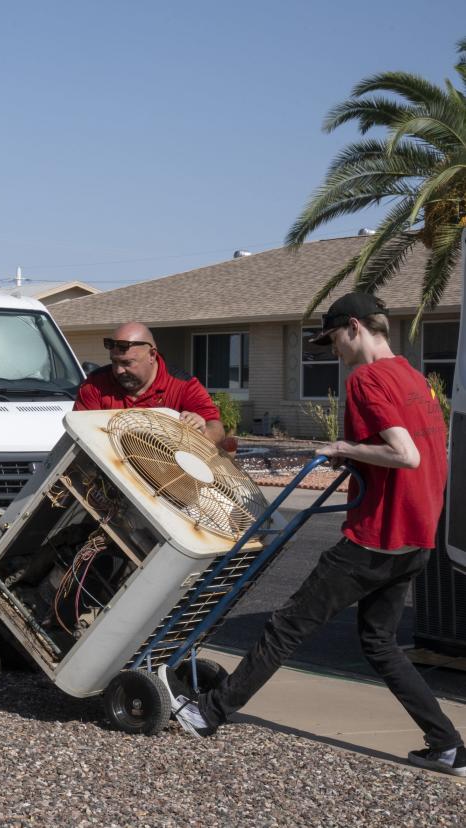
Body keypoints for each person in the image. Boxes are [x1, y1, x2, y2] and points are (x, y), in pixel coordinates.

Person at [164, 292, 464, 778]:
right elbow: (420, 454)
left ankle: (207, 713)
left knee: (287, 626)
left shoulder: (368, 379)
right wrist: (356, 454)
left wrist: (343, 446)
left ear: (353, 328)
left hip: (375, 539)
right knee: (380, 643)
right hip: (416, 538)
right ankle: (447, 745)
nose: (334, 354)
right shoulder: (412, 378)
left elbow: (405, 454)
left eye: (333, 342)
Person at [74, 321, 227, 447]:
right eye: (114, 362)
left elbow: (217, 430)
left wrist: (202, 429)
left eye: (127, 363)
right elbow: (79, 436)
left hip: (169, 475)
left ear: (152, 355)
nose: (119, 370)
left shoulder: (183, 386)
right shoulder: (95, 385)